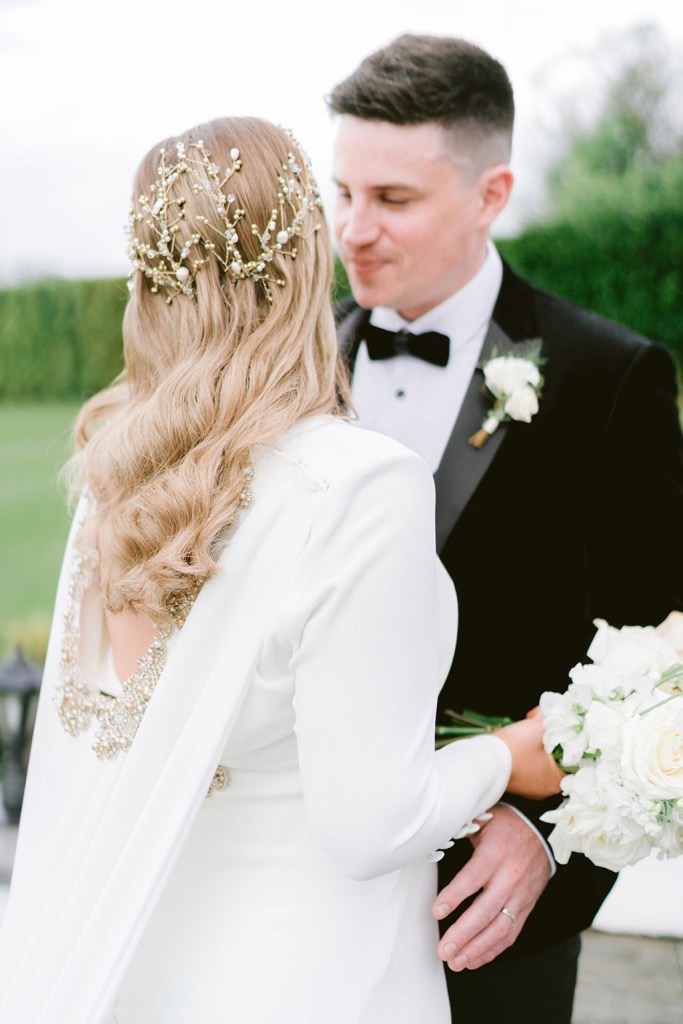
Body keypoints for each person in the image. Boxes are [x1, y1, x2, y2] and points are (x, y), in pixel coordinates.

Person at [0, 116, 561, 1024]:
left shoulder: (110, 482)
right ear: (304, 265)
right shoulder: (357, 485)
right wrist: (510, 757)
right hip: (315, 977)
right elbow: (371, 822)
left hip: (143, 969)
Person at [329, 33, 683, 1024]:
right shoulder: (286, 371)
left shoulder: (606, 379)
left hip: (488, 902)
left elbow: (662, 647)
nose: (352, 229)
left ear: (490, 195)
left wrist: (545, 840)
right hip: (301, 884)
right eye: (342, 192)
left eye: (391, 199)